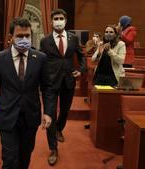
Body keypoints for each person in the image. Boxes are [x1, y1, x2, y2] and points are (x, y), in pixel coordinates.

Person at [0, 17, 54, 169]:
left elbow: (47, 87)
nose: (24, 39)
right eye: (20, 36)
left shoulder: (40, 58)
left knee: (25, 156)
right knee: (9, 159)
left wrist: (48, 112)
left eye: (27, 36)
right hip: (7, 115)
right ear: (11, 37)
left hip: (30, 116)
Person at [40, 8, 86, 166]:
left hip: (68, 81)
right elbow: (41, 60)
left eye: (61, 18)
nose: (58, 21)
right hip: (50, 83)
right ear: (51, 21)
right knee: (49, 114)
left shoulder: (73, 38)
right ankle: (53, 148)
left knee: (65, 110)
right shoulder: (45, 41)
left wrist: (81, 70)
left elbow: (81, 56)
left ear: (65, 21)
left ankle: (59, 128)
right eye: (55, 18)